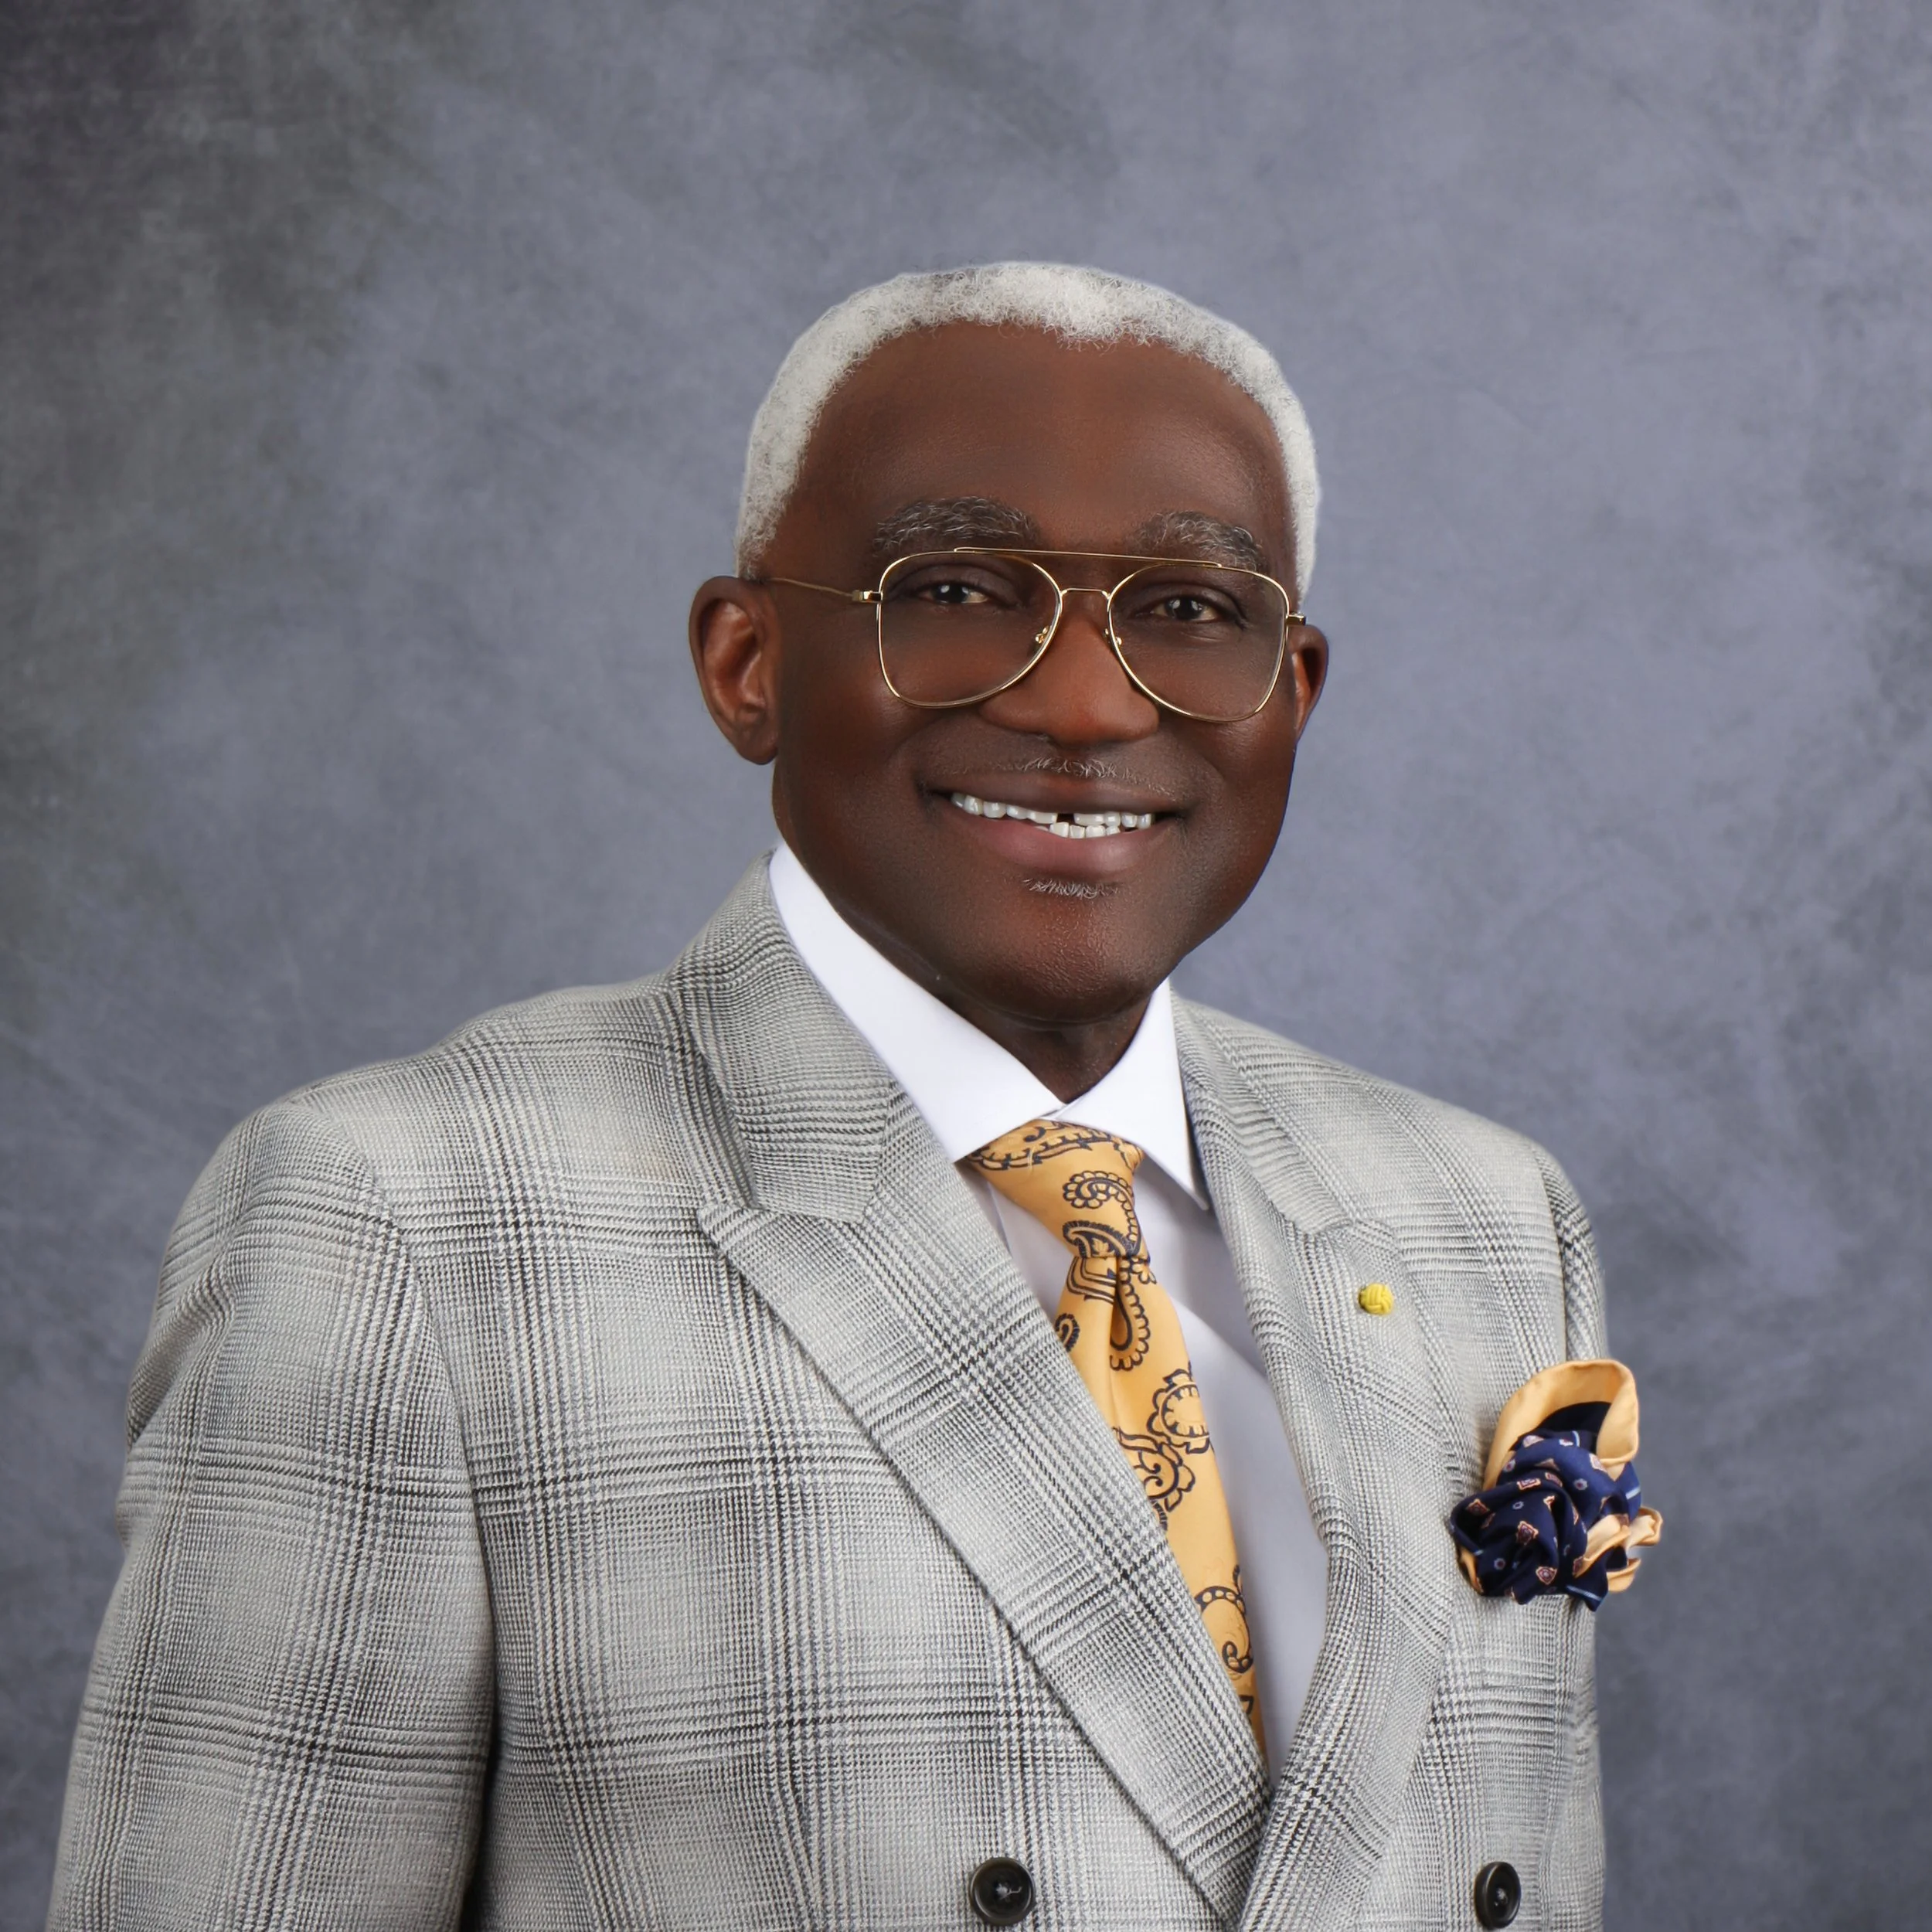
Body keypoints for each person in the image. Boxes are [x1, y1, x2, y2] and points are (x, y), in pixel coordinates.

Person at [49, 264, 1635, 1930]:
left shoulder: (1481, 1217)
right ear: (746, 662)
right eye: (952, 589)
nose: (1084, 703)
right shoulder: (398, 1227)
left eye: (1187, 608)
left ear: (1291, 691)